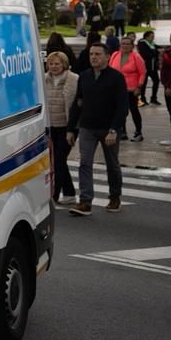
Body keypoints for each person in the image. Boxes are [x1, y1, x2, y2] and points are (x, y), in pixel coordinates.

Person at [67, 42, 128, 217]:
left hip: (108, 129)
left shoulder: (116, 78)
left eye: (97, 54)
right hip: (87, 127)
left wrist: (114, 130)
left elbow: (122, 107)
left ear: (107, 57)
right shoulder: (84, 76)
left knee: (112, 165)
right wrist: (71, 129)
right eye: (91, 54)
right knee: (84, 163)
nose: (93, 57)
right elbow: (77, 104)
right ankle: (85, 202)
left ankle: (114, 197)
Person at [43, 52, 78, 205]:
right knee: (55, 162)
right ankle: (63, 194)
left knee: (59, 161)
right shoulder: (44, 79)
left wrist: (74, 127)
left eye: (57, 63)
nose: (54, 67)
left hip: (67, 127)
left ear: (64, 64)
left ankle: (62, 193)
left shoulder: (74, 79)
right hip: (51, 127)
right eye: (51, 64)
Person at [108, 36, 146, 142]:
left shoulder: (136, 57)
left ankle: (138, 132)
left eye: (127, 44)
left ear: (132, 46)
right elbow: (110, 70)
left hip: (131, 89)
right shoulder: (115, 55)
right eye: (123, 43)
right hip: (116, 89)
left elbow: (143, 73)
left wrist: (139, 86)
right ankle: (122, 132)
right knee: (119, 111)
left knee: (134, 110)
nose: (124, 46)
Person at [135, 30, 160, 106]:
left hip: (153, 67)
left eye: (153, 36)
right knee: (143, 83)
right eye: (151, 37)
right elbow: (147, 54)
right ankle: (142, 98)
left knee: (156, 81)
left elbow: (157, 48)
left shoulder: (151, 43)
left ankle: (153, 98)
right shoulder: (142, 43)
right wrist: (156, 52)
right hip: (145, 67)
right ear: (146, 37)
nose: (153, 38)